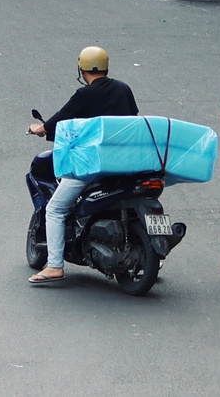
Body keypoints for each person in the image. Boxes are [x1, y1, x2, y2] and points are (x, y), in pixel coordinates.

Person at [27, 45, 138, 287]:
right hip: (126, 165)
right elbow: (134, 119)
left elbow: (60, 119)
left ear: (82, 68)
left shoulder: (85, 94)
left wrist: (40, 128)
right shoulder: (123, 89)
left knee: (55, 209)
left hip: (93, 165)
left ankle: (55, 265)